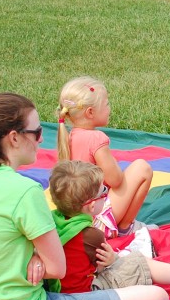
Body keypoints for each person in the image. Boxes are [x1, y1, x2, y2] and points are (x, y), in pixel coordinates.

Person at [0, 93, 167, 300]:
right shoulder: (24, 191)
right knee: (155, 297)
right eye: (37, 132)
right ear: (14, 138)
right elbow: (58, 269)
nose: (41, 139)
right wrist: (41, 258)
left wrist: (36, 256)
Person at [48, 160, 170, 295]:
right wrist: (112, 259)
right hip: (90, 293)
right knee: (137, 262)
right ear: (91, 205)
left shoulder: (56, 221)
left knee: (131, 259)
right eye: (104, 191)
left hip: (68, 291)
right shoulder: (90, 235)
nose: (107, 193)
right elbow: (101, 267)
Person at [57, 76, 153, 235]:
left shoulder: (69, 136)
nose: (109, 108)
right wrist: (113, 162)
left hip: (77, 220)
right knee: (142, 168)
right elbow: (116, 180)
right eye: (107, 104)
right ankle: (126, 227)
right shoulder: (96, 138)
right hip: (98, 223)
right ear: (90, 112)